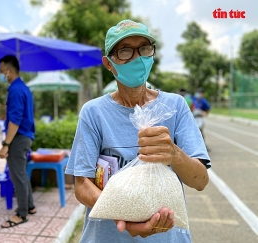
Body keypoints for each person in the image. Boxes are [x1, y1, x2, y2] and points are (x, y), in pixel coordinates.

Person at [65, 19, 211, 242]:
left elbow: (200, 180)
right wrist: (125, 215)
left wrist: (173, 154)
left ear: (152, 54)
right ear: (108, 64)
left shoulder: (175, 107)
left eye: (144, 48)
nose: (137, 58)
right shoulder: (94, 112)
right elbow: (82, 185)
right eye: (125, 51)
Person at [0, 55, 36, 228]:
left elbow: (15, 120)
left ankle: (22, 214)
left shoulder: (15, 90)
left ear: (9, 71)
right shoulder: (24, 88)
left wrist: (6, 145)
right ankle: (30, 206)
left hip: (18, 138)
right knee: (22, 173)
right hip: (25, 137)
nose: (1, 75)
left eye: (1, 72)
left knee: (17, 176)